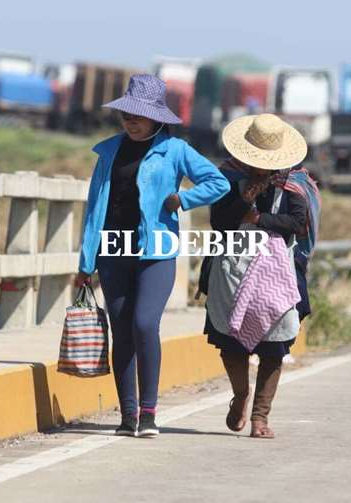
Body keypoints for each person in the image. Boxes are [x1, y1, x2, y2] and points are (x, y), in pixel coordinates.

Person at [75, 74, 229, 438]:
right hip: (113, 253)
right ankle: (128, 416)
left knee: (144, 324)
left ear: (158, 117)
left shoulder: (175, 151)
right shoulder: (109, 151)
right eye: (127, 113)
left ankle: (149, 413)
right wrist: (85, 263)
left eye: (139, 115)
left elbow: (218, 183)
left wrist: (184, 199)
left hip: (156, 252)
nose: (131, 120)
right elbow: (95, 207)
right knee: (122, 331)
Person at [205, 113, 319, 439]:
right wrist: (242, 199)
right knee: (230, 341)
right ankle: (240, 395)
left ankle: (260, 416)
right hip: (232, 266)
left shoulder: (294, 185)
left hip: (277, 270)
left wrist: (260, 218)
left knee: (275, 345)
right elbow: (219, 223)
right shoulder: (229, 178)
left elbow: (299, 224)